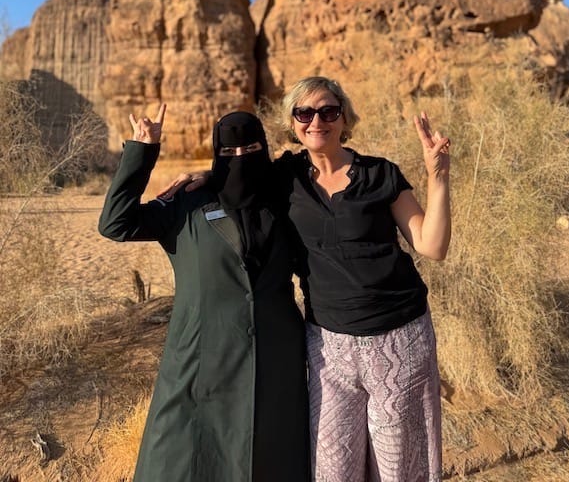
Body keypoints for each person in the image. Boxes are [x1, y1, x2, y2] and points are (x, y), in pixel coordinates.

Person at [159, 76, 451, 482]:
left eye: (329, 111)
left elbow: (431, 244)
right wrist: (207, 176)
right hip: (328, 347)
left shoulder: (381, 174)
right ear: (293, 122)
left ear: (344, 117)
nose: (318, 121)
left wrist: (438, 176)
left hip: (398, 340)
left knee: (400, 467)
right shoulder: (285, 177)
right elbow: (241, 175)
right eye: (305, 112)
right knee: (331, 467)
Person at [98, 104, 310, 482]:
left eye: (250, 150)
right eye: (227, 153)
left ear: (264, 148)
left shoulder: (285, 199)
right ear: (216, 153)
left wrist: (212, 171)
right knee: (185, 458)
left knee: (270, 457)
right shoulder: (186, 203)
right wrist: (142, 152)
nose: (240, 159)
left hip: (275, 358)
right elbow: (116, 223)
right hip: (199, 359)